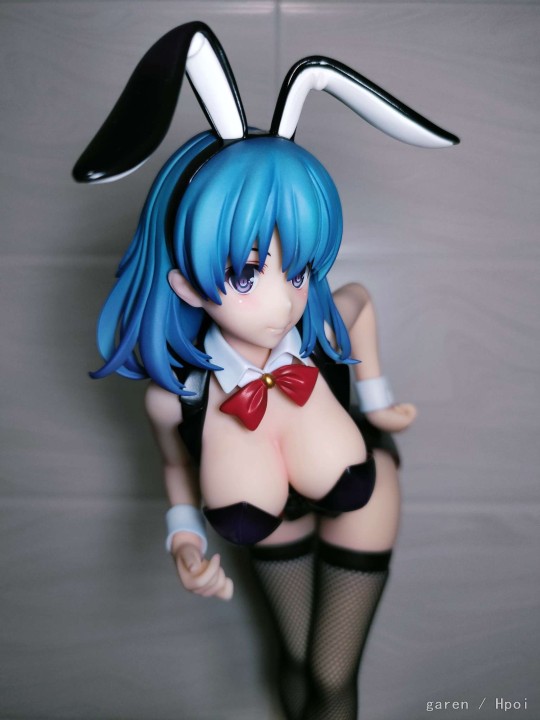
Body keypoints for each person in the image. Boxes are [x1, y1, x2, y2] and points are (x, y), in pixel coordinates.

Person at [74, 22, 458, 720]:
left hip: (364, 499)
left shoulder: (319, 326)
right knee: (294, 659)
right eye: (249, 275)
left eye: (300, 269)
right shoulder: (175, 397)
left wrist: (376, 399)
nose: (285, 302)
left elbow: (359, 303)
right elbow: (175, 467)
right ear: (186, 284)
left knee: (332, 674)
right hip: (270, 519)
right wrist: (184, 538)